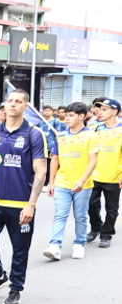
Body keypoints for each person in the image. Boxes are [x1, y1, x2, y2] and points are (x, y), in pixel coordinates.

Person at [0, 89, 47, 304]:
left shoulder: (34, 134)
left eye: (18, 101)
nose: (12, 104)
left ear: (26, 106)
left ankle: (16, 288)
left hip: (21, 203)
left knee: (20, 248)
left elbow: (40, 171)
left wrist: (31, 205)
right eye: (9, 101)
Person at [42, 102, 98, 261]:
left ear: (82, 116)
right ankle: (55, 246)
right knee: (60, 214)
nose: (67, 118)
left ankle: (79, 244)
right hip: (62, 182)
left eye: (71, 115)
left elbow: (93, 161)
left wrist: (82, 180)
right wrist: (51, 182)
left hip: (83, 184)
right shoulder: (61, 135)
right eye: (66, 115)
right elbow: (54, 160)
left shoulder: (91, 136)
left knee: (80, 215)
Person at [87, 98, 122, 247]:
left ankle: (106, 234)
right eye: (99, 109)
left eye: (104, 109)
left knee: (111, 208)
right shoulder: (95, 129)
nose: (99, 112)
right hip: (93, 175)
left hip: (114, 176)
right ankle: (96, 228)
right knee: (90, 204)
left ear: (115, 112)